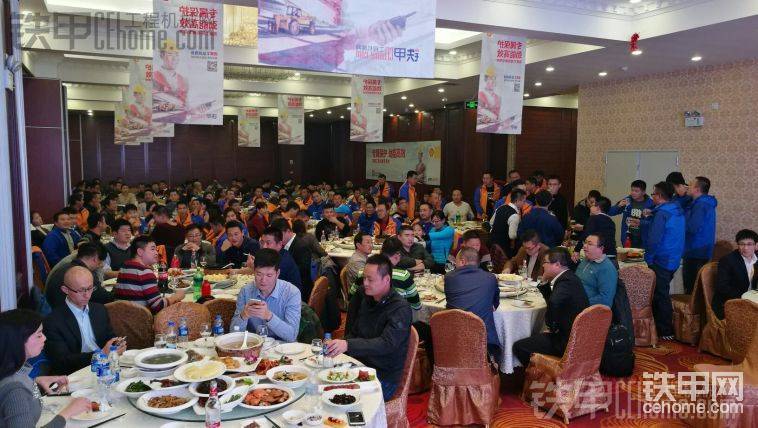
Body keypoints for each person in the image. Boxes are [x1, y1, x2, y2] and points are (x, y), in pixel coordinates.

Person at [325, 254, 412, 401]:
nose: (365, 283)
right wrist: (337, 346)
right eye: (364, 278)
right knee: (323, 381)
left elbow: (386, 344)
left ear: (387, 280)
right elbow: (354, 332)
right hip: (359, 364)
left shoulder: (400, 308)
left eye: (370, 279)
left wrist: (348, 345)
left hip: (383, 375)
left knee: (338, 397)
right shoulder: (366, 298)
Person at [0, 309, 92, 426]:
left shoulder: (16, 371)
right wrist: (67, 413)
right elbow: (14, 392)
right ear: (17, 341)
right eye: (39, 335)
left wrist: (36, 381)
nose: (44, 338)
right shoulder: (15, 391)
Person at [512, 248, 589, 366]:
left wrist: (550, 327)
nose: (543, 265)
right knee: (535, 335)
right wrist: (544, 280)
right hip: (575, 334)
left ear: (557, 264)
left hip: (567, 341)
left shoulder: (566, 281)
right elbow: (552, 299)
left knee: (519, 346)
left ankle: (537, 373)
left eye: (545, 262)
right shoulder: (569, 277)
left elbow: (553, 302)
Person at [43, 266, 125, 374]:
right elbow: (62, 361)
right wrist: (100, 354)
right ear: (65, 290)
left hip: (105, 367)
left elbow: (109, 337)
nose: (87, 295)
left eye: (90, 288)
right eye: (81, 290)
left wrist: (116, 344)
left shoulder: (99, 309)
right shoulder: (53, 321)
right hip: (75, 373)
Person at [641, 181, 685, 340]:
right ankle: (658, 325)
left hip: (661, 258)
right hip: (674, 257)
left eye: (653, 194)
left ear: (659, 196)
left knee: (660, 295)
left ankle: (665, 330)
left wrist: (648, 258)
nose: (652, 196)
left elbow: (654, 239)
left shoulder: (662, 213)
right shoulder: (677, 209)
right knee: (660, 292)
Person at [229, 249, 301, 342]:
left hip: (283, 347)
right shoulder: (246, 291)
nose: (263, 280)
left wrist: (269, 316)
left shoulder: (291, 293)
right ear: (254, 271)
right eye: (259, 274)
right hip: (254, 345)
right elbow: (233, 333)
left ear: (277, 273)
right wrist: (243, 315)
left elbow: (292, 336)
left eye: (269, 275)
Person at [445, 246, 501, 356]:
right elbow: (495, 304)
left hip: (454, 337)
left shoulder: (449, 277)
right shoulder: (490, 278)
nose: (455, 265)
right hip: (483, 340)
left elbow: (451, 300)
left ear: (462, 261)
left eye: (456, 261)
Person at [114, 236, 185, 313]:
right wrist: (175, 297)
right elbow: (157, 306)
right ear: (140, 252)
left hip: (121, 316)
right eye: (152, 249)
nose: (156, 253)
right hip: (140, 317)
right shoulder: (145, 272)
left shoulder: (124, 268)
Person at [349, 237, 419, 310]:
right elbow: (416, 305)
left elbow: (351, 296)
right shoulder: (404, 275)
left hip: (366, 313)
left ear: (381, 251)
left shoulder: (363, 272)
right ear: (397, 255)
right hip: (394, 314)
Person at [45, 242, 112, 309]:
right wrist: (116, 290)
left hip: (53, 308)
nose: (100, 265)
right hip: (68, 312)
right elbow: (103, 298)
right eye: (100, 262)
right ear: (95, 259)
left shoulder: (65, 266)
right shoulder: (84, 273)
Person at [683, 176, 718, 294]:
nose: (687, 187)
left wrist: (678, 224)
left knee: (691, 289)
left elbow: (692, 227)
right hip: (701, 249)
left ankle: (690, 307)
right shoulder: (705, 202)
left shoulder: (700, 205)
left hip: (695, 250)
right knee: (697, 287)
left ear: (697, 189)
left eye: (690, 185)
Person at [712, 229, 758, 319]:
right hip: (730, 303)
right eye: (742, 244)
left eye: (749, 244)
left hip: (752, 302)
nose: (745, 248)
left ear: (756, 245)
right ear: (737, 245)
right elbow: (722, 287)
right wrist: (745, 298)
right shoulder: (727, 260)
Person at [609, 180, 655, 249]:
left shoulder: (651, 203)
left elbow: (653, 222)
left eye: (636, 191)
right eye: (632, 190)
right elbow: (610, 212)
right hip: (628, 237)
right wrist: (618, 206)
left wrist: (641, 222)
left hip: (643, 238)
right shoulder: (627, 200)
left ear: (643, 192)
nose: (633, 193)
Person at [575, 233, 618, 307]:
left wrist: (580, 303)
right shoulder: (585, 260)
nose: (584, 246)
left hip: (587, 308)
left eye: (590, 244)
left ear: (601, 248)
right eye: (585, 242)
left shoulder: (607, 268)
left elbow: (606, 300)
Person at [259, 226, 304, 292]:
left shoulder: (283, 262)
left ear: (279, 244)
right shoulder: (276, 255)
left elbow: (268, 286)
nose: (264, 246)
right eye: (262, 242)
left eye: (268, 243)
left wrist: (254, 267)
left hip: (289, 295)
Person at [574, 196, 618, 264]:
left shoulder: (593, 218)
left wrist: (576, 250)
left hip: (601, 257)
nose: (590, 208)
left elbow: (586, 235)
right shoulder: (611, 222)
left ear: (597, 208)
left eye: (592, 206)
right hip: (612, 256)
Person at [490, 188, 526, 258]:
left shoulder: (500, 207)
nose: (524, 203)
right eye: (523, 201)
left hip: (492, 244)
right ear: (517, 201)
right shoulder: (514, 215)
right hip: (504, 248)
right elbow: (512, 236)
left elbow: (491, 222)